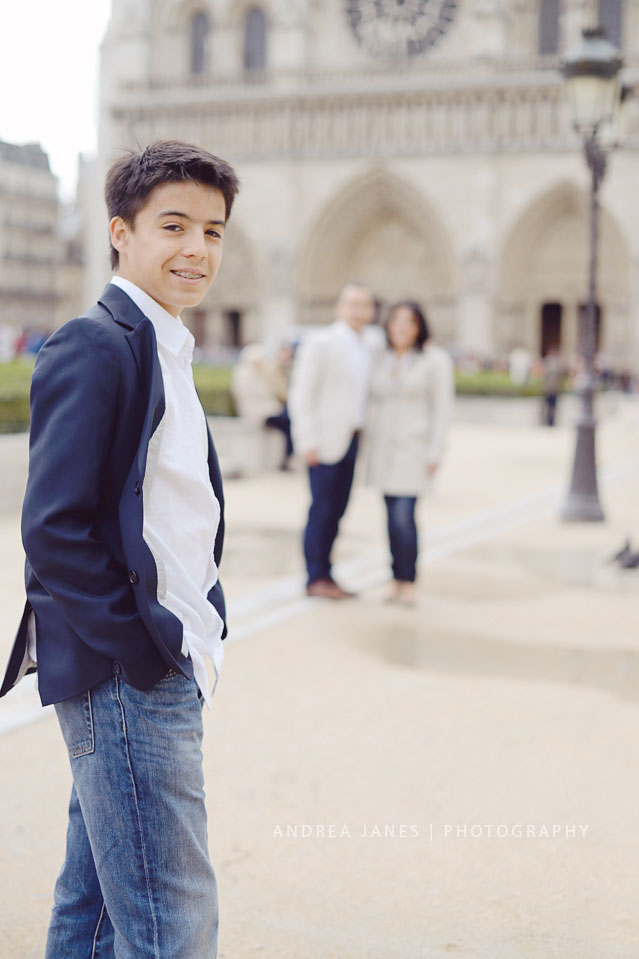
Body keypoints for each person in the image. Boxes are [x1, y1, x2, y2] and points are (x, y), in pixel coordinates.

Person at [0, 140, 240, 959]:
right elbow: (52, 526)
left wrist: (201, 619)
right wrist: (142, 650)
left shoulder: (165, 344)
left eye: (212, 231)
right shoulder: (93, 343)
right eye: (173, 226)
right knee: (175, 923)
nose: (196, 249)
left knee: (97, 907)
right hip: (127, 673)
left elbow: (177, 513)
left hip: (154, 662)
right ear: (119, 232)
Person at [289, 283, 376, 599]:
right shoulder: (321, 342)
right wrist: (306, 440)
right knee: (321, 510)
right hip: (323, 443)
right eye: (352, 304)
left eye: (364, 305)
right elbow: (302, 393)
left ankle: (327, 573)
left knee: (338, 510)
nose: (358, 310)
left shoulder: (368, 347)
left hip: (352, 440)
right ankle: (314, 577)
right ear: (340, 308)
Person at [366, 301, 454, 605]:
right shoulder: (382, 359)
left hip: (414, 451)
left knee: (405, 517)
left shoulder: (434, 360)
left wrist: (435, 453)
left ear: (419, 327)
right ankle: (395, 580)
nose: (401, 327)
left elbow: (442, 409)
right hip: (383, 451)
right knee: (390, 518)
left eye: (408, 322)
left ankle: (409, 582)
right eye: (396, 321)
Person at [231, 339, 295, 468]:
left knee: (290, 419)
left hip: (268, 410)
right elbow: (256, 399)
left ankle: (287, 457)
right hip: (258, 414)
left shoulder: (261, 374)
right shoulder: (245, 376)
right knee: (288, 421)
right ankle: (287, 459)